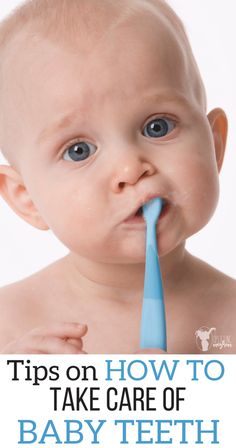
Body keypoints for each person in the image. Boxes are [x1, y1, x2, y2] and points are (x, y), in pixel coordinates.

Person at [0, 0, 235, 354]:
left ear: (214, 145)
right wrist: (15, 387)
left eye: (158, 127)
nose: (130, 167)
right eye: (78, 150)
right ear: (26, 198)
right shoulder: (10, 324)